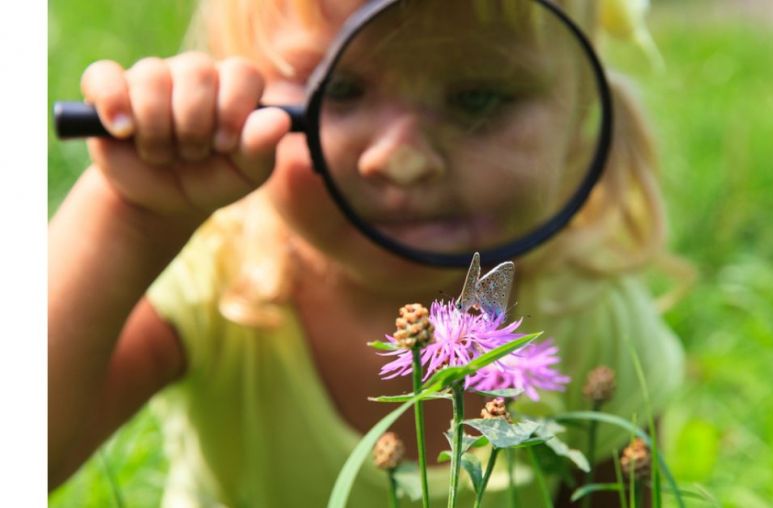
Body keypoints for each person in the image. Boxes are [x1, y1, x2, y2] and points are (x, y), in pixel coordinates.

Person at [48, 0, 685, 506]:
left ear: (580, 123)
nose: (400, 160)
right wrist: (131, 218)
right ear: (241, 99)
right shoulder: (218, 282)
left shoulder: (590, 316)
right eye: (343, 90)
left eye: (478, 99)